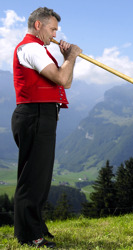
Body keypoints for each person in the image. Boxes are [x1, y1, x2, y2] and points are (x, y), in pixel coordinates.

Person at [11, 7, 82, 248]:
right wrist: (72, 56)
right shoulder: (31, 48)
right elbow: (62, 79)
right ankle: (29, 234)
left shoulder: (39, 50)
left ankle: (37, 227)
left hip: (42, 116)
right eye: (52, 29)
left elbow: (66, 82)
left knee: (41, 178)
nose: (55, 35)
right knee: (32, 178)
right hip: (35, 115)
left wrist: (66, 59)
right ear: (39, 26)